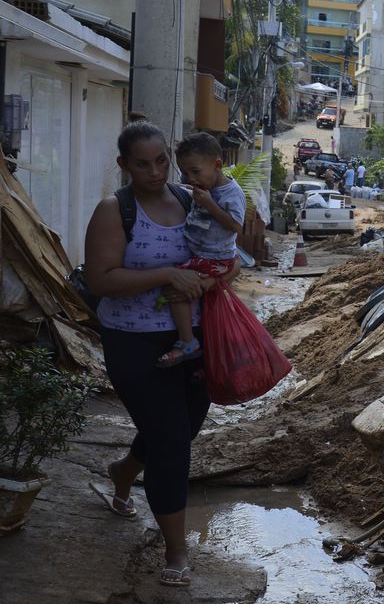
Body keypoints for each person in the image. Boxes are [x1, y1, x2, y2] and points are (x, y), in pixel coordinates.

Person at [84, 121, 232, 588]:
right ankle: (176, 549)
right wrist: (168, 275)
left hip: (193, 340)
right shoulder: (115, 210)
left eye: (161, 161)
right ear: (123, 165)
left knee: (182, 430)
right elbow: (101, 280)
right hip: (133, 342)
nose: (154, 172)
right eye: (142, 164)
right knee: (170, 442)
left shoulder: (192, 200)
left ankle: (122, 472)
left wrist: (213, 277)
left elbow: (219, 253)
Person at [155, 132, 245, 367]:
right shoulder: (203, 188)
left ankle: (187, 342)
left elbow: (236, 225)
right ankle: (206, 356)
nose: (190, 178)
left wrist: (209, 204)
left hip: (214, 258)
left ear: (217, 165)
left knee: (176, 289)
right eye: (185, 172)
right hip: (203, 256)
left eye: (195, 172)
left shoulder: (230, 193)